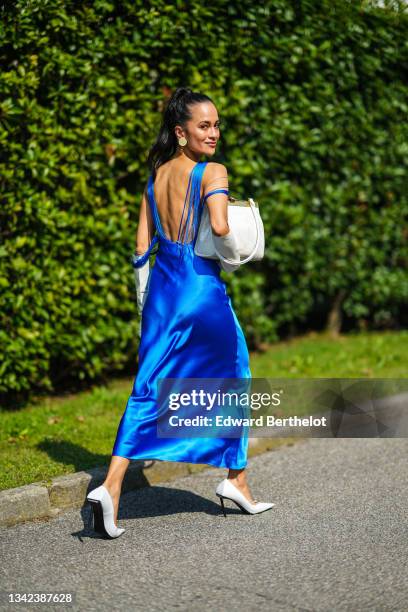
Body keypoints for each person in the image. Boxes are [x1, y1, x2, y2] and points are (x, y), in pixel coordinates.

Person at [86, 87, 274, 538]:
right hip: (200, 288)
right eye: (203, 126)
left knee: (148, 385)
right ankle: (235, 479)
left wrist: (143, 302)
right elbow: (223, 229)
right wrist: (236, 257)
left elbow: (140, 246)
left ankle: (110, 487)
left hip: (161, 293)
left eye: (216, 124)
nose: (213, 133)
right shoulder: (212, 172)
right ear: (180, 131)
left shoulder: (156, 176)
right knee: (234, 376)